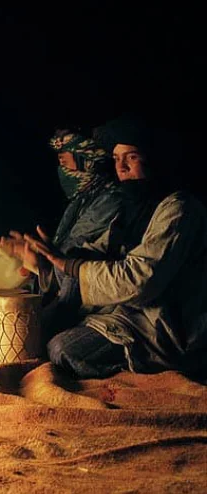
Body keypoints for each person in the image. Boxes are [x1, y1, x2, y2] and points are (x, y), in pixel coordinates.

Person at [24, 117, 207, 379]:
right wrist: (46, 261)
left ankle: (142, 380)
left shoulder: (179, 209)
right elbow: (92, 254)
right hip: (125, 313)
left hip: (160, 324)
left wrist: (68, 264)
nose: (120, 167)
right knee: (41, 328)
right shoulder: (131, 208)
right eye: (116, 158)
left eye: (131, 157)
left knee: (62, 349)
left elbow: (140, 280)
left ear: (154, 159)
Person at [0, 129, 123, 334]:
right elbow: (58, 259)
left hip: (94, 305)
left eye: (65, 162)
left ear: (88, 162)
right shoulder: (83, 200)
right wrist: (35, 258)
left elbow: (73, 259)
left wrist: (42, 257)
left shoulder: (110, 200)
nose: (62, 170)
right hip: (72, 293)